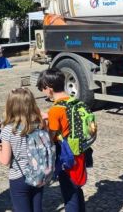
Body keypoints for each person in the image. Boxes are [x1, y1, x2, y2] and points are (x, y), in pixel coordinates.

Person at [36, 68, 87, 212]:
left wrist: (43, 123)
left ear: (49, 88)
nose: (43, 92)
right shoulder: (75, 101)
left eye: (43, 89)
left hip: (66, 155)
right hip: (80, 150)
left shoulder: (55, 110)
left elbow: (51, 136)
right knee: (77, 187)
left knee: (69, 192)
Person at [0, 88, 47, 212]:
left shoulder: (8, 130)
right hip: (38, 172)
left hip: (19, 177)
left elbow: (5, 160)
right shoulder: (40, 124)